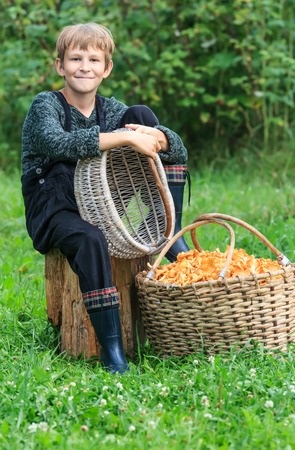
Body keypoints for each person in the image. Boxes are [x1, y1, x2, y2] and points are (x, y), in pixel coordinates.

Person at [21, 22, 189, 374]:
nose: (85, 66)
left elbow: (179, 150)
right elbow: (60, 144)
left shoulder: (111, 109)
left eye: (94, 59)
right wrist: (125, 140)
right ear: (60, 66)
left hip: (103, 203)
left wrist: (159, 139)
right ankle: (113, 351)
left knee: (141, 117)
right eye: (76, 58)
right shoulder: (45, 106)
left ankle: (169, 233)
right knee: (90, 240)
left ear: (106, 68)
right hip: (55, 209)